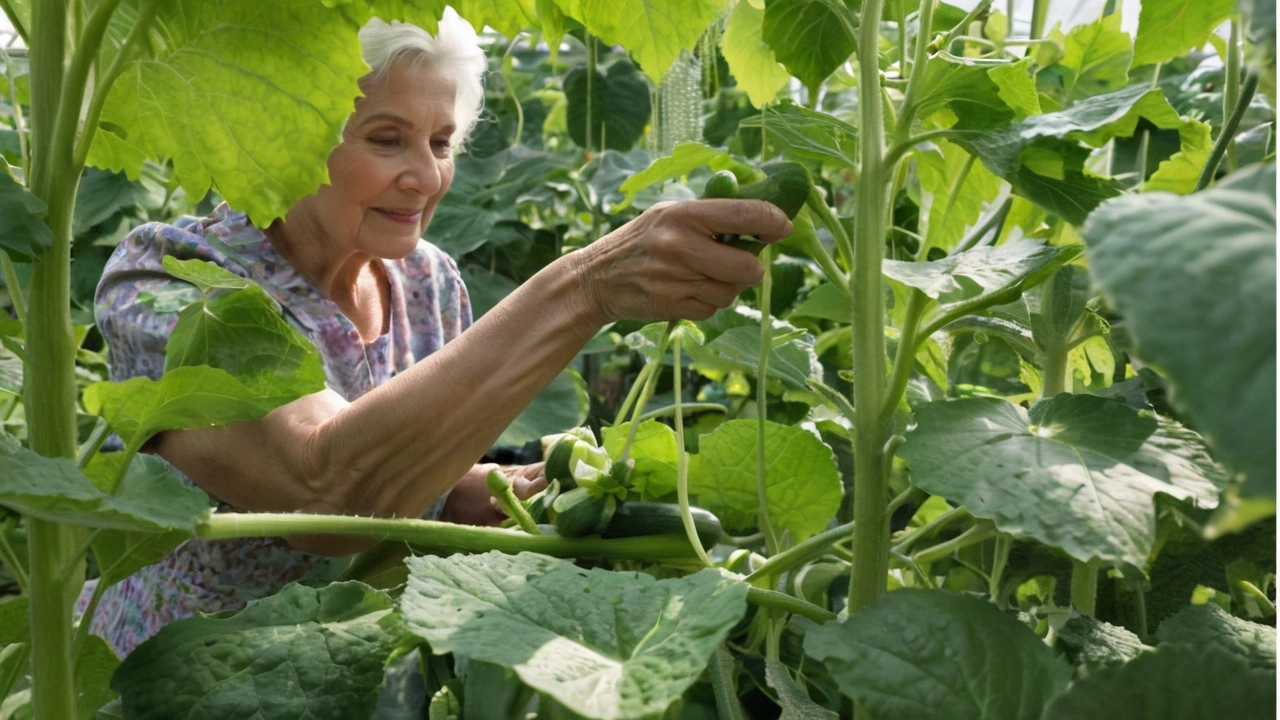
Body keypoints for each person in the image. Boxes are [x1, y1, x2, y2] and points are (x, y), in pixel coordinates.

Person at [77, 11, 792, 659]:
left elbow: (411, 481)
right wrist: (582, 288)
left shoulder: (427, 281)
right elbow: (324, 496)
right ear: (289, 130)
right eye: (388, 139)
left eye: (442, 142)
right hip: (181, 673)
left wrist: (494, 492)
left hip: (358, 666)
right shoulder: (175, 279)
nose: (425, 175)